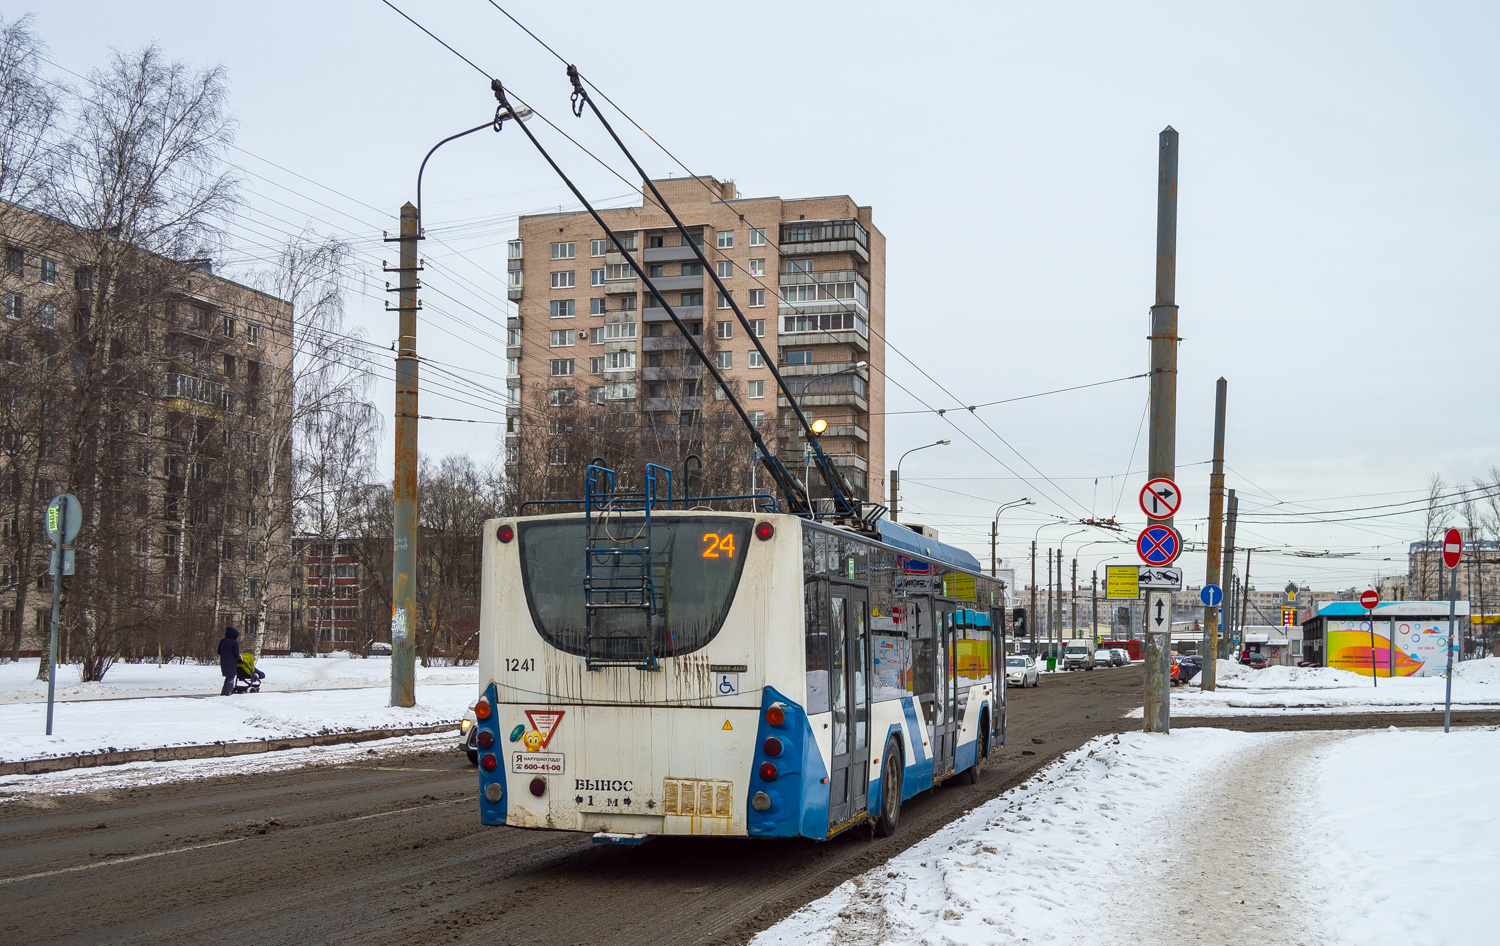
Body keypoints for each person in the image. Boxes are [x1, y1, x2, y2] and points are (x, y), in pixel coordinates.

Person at [218, 626, 241, 696]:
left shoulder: (222, 641)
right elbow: (236, 653)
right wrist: (239, 660)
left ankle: (223, 693)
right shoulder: (234, 642)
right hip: (232, 662)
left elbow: (219, 651)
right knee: (231, 677)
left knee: (227, 678)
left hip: (223, 662)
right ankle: (228, 692)